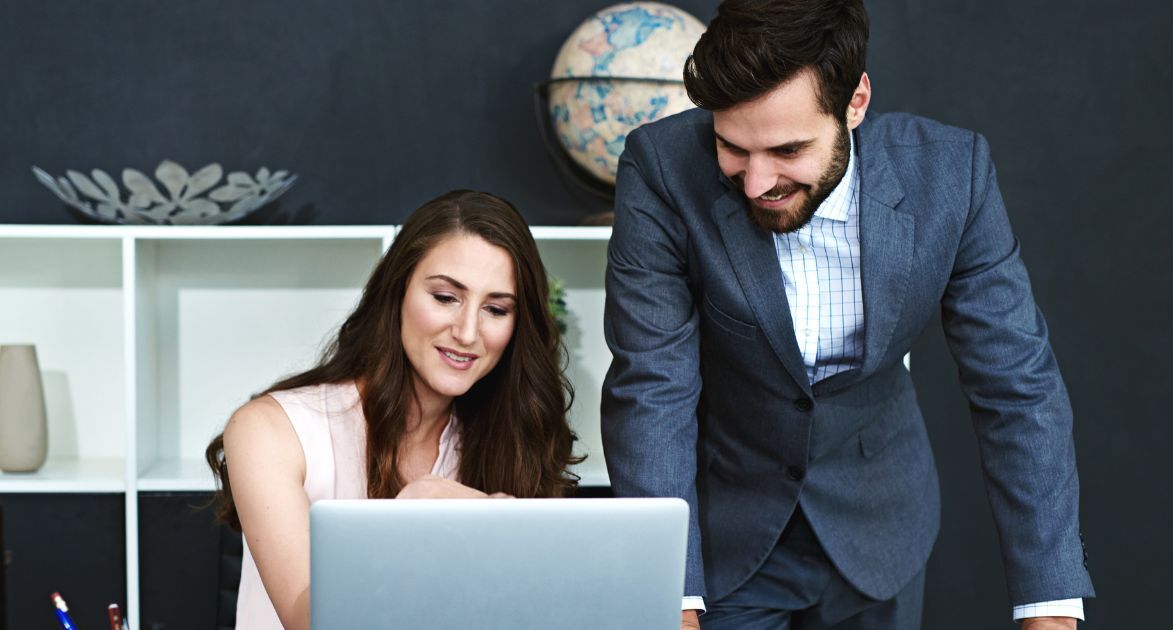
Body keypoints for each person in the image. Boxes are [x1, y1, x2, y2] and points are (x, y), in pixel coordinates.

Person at [600, 1, 1093, 629]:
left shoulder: (951, 176)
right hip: (727, 535)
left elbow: (1016, 388)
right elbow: (652, 387)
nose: (755, 183)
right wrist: (669, 593)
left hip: (883, 526)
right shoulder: (661, 169)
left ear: (855, 103)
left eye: (788, 150)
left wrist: (1048, 604)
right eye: (732, 147)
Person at [205, 190, 582, 630]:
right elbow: (307, 621)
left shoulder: (507, 439)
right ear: (397, 291)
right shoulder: (268, 431)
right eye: (445, 297)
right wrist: (409, 522)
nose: (466, 332)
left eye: (496, 309)